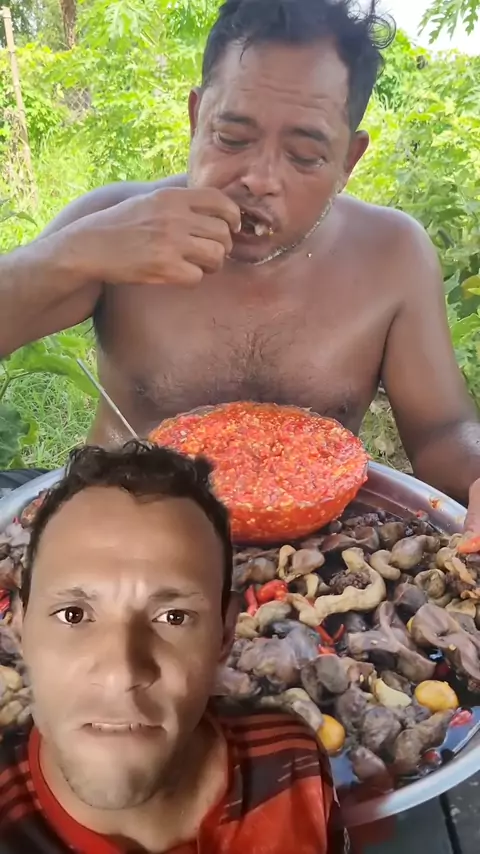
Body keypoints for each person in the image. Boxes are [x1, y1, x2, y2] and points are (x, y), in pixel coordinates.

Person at [1, 0, 480, 535]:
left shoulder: (393, 255)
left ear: (349, 160)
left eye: (304, 155)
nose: (260, 178)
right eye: (232, 138)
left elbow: (442, 431)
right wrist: (71, 253)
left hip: (315, 550)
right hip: (119, 529)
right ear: (195, 118)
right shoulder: (114, 221)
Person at [0, 441, 348, 853]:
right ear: (19, 627)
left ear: (224, 635)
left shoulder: (292, 765)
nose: (121, 674)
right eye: (73, 614)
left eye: (174, 617)